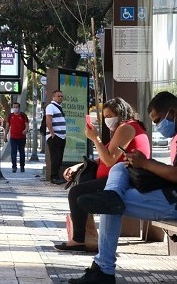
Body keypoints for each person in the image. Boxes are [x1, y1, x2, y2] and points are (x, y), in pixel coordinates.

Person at [70, 91, 177, 284]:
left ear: (173, 113)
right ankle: (112, 195)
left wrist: (146, 163)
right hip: (173, 196)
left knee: (107, 204)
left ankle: (104, 271)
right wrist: (141, 165)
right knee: (119, 170)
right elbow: (176, 172)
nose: (158, 126)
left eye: (158, 120)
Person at [54, 98, 150, 252]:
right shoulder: (124, 128)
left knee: (76, 192)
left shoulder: (127, 128)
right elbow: (103, 157)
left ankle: (79, 239)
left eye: (110, 115)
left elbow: (110, 160)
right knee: (80, 188)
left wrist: (95, 138)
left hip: (123, 179)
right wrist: (78, 165)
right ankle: (83, 235)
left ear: (121, 113)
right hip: (114, 177)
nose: (107, 120)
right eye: (105, 117)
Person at [45, 90, 67, 184]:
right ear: (53, 97)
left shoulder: (59, 107)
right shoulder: (51, 106)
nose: (60, 98)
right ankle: (53, 177)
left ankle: (57, 176)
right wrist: (52, 134)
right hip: (55, 137)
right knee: (55, 157)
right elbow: (48, 120)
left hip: (62, 136)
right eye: (58, 96)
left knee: (59, 158)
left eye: (62, 96)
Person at [5, 102, 29, 173]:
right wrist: (5, 135)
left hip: (22, 137)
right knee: (13, 152)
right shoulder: (10, 116)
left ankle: (22, 166)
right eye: (14, 107)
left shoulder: (23, 115)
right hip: (13, 137)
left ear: (19, 108)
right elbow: (7, 126)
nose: (15, 108)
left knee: (22, 152)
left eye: (16, 107)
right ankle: (14, 167)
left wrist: (25, 130)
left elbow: (27, 124)